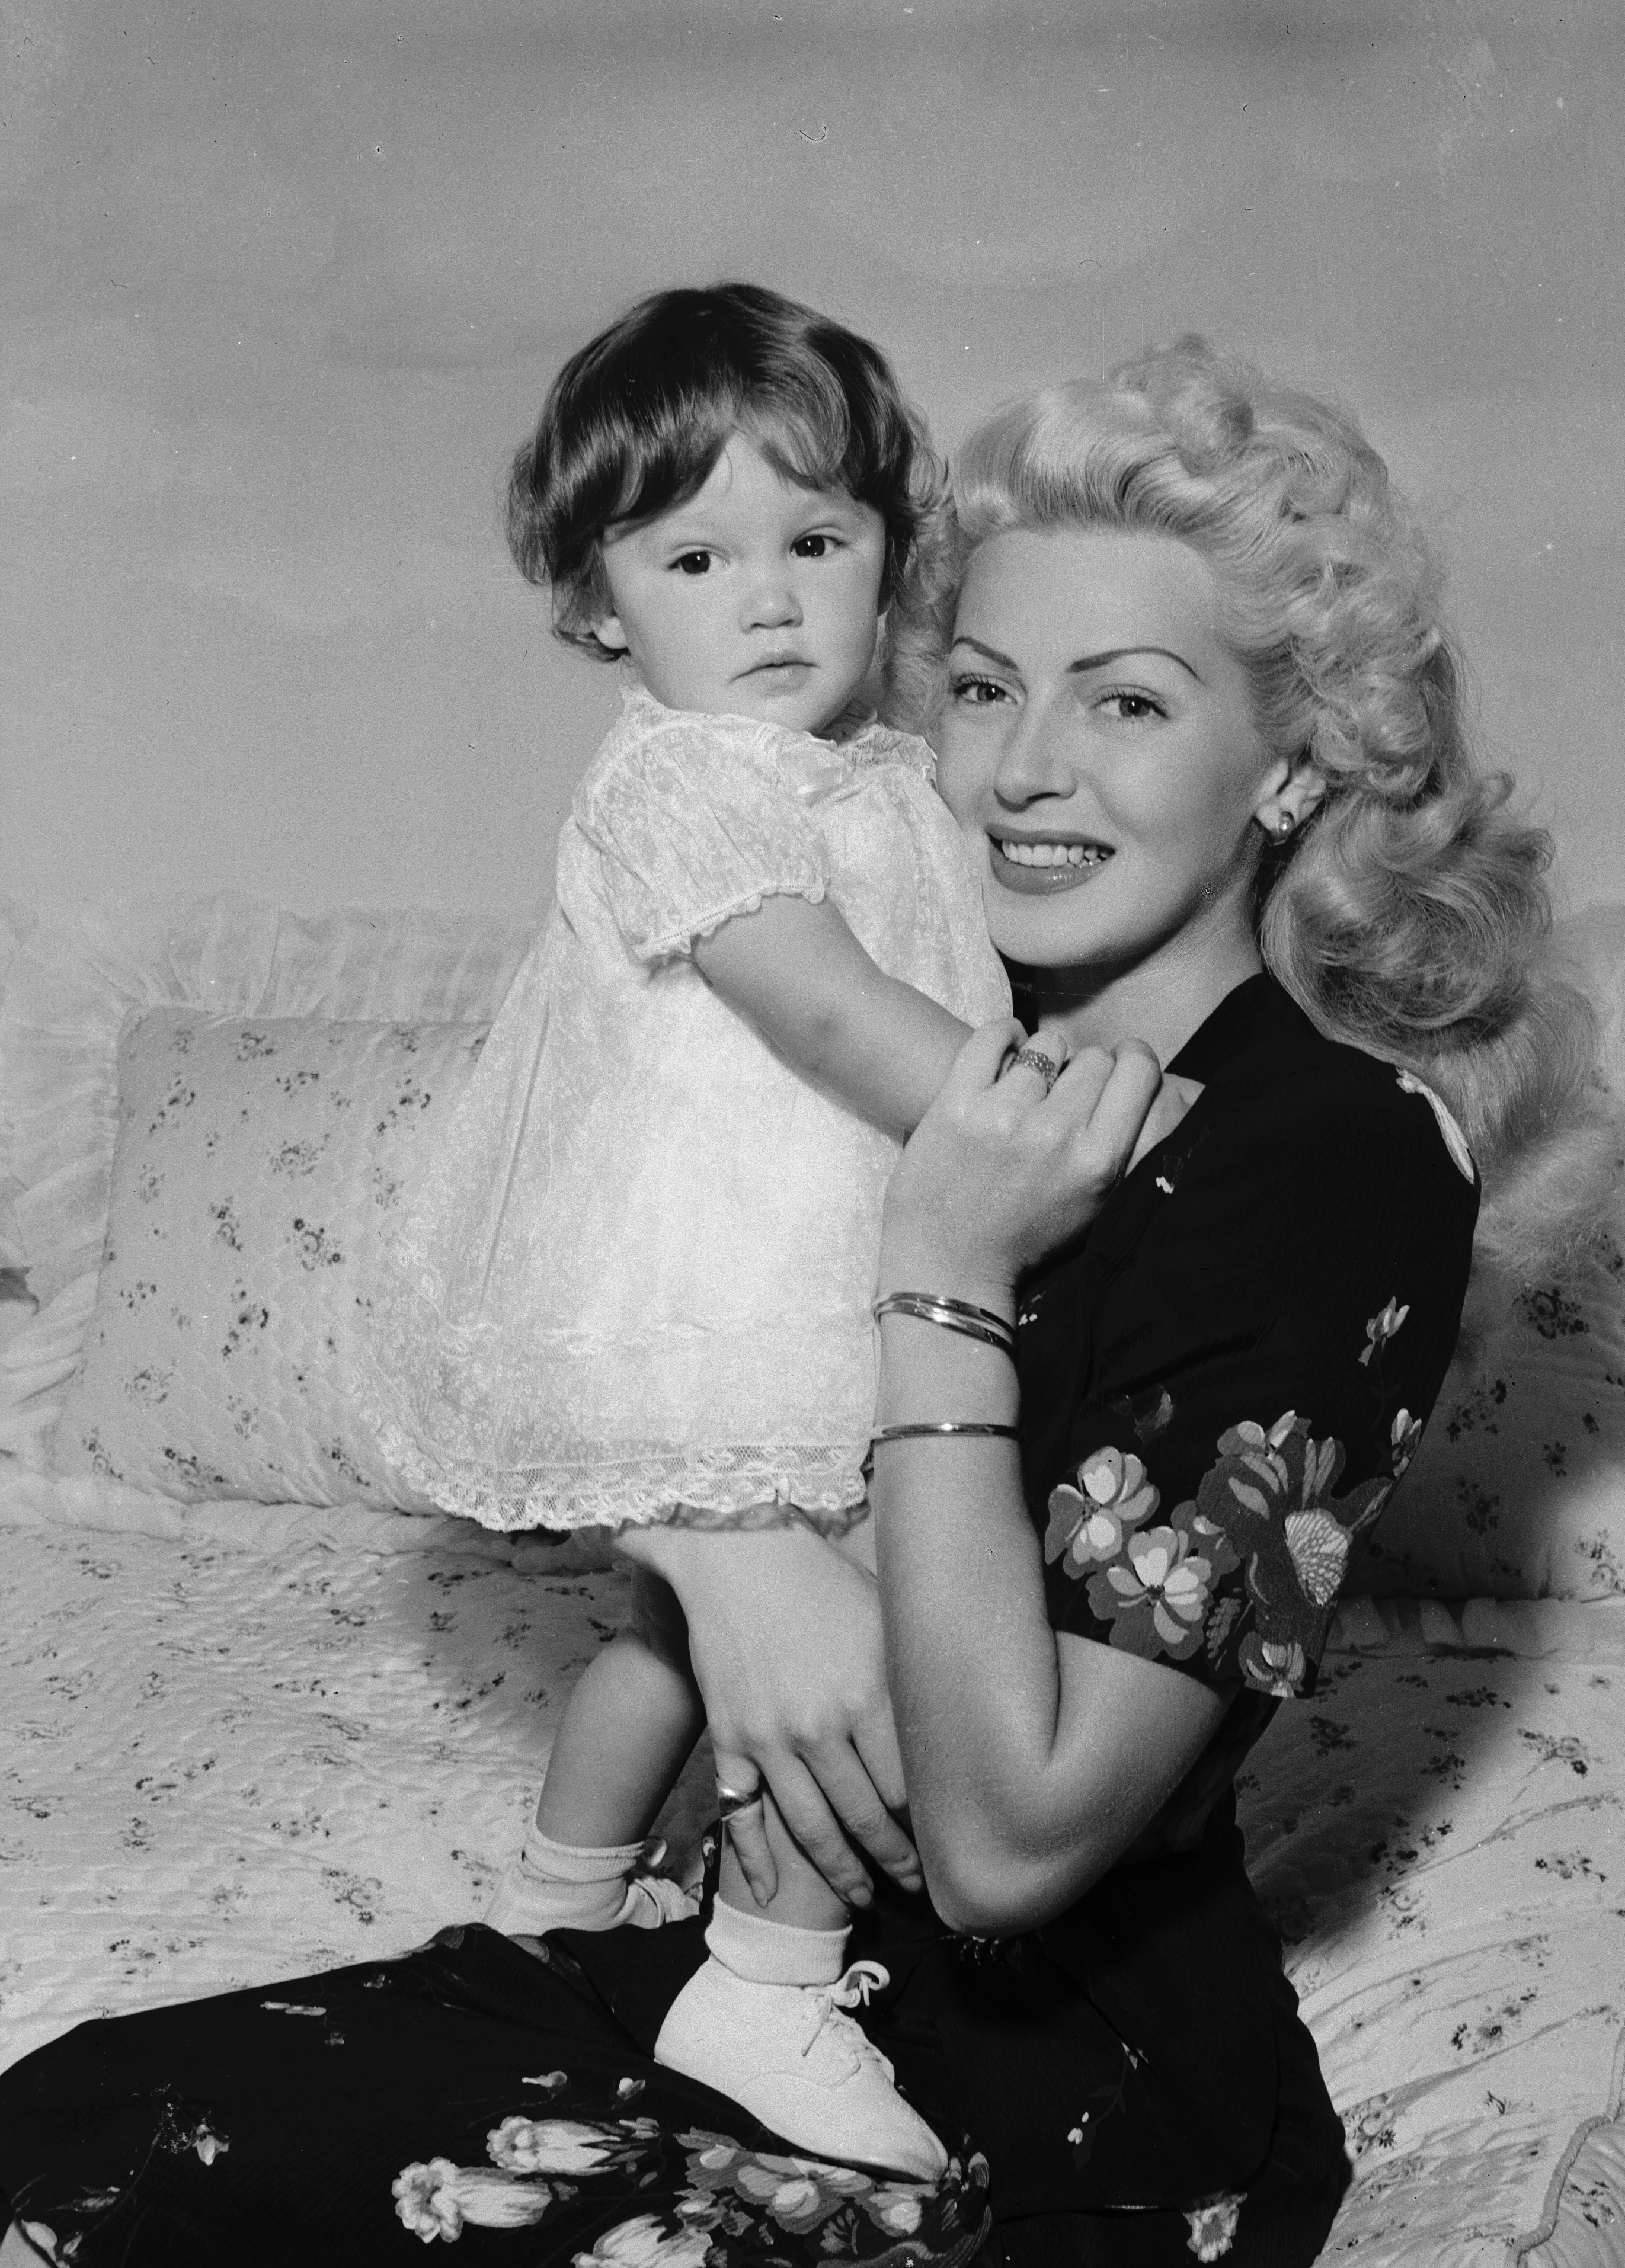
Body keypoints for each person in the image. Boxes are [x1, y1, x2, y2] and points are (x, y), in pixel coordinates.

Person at [0, 337, 1589, 2268]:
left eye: (1127, 702)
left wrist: (944, 1267)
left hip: (1015, 2098)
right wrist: (730, 1562)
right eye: (987, 688)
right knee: (65, 2126)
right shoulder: (909, 1014)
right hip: (717, 1966)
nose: (1021, 768)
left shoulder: (1333, 1156)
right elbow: (600, 1313)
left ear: (1290, 759)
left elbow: (1012, 1844)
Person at [353, 281, 1012, 2178]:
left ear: (890, 554)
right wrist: (1036, 1122)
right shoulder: (681, 778)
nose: (773, 597)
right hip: (725, 1272)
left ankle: (562, 1909)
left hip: (801, 1248)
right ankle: (769, 1974)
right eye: (698, 552)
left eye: (818, 540)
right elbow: (819, 1008)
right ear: (596, 599)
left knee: (663, 1622)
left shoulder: (869, 772)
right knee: (860, 1606)